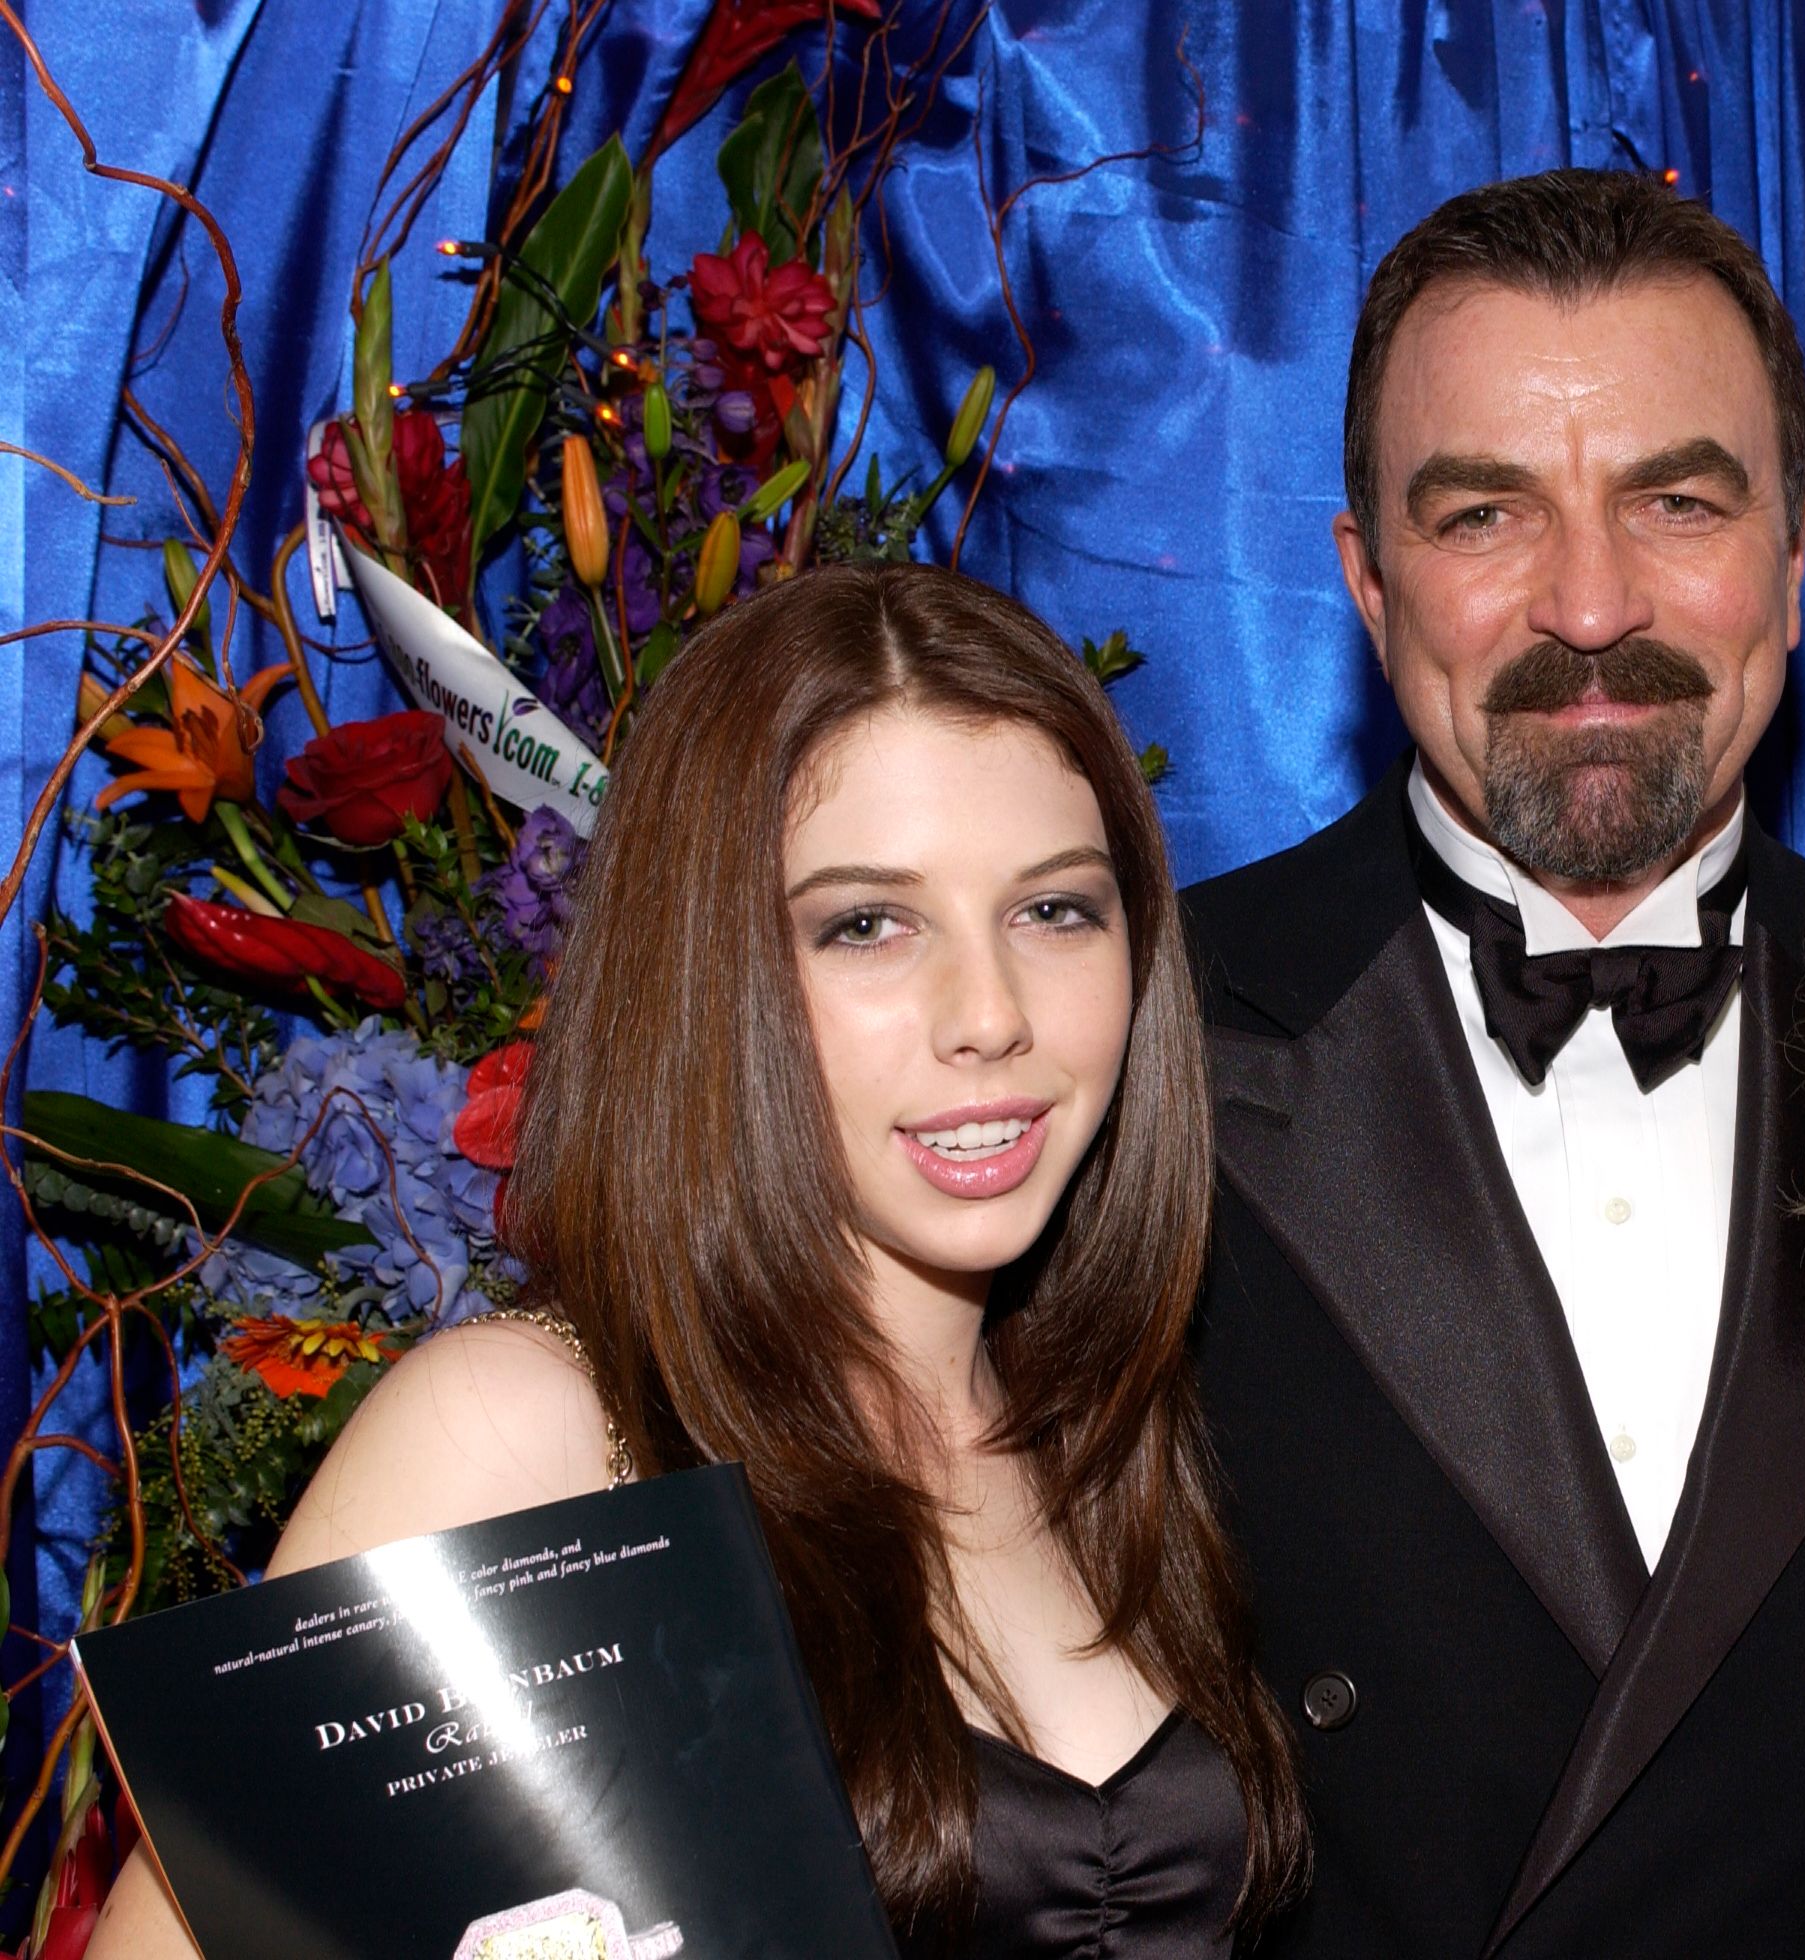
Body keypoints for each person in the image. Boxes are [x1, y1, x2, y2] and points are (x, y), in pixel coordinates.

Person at [89, 564, 1305, 1959]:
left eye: (1054, 911)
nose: (990, 1016)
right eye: (866, 924)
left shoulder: (1123, 1427)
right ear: (707, 970)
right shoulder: (529, 1430)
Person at [1182, 168, 1805, 1959]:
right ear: (1366, 581)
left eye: (1677, 500)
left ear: (1795, 553)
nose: (1593, 603)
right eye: (1486, 517)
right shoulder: (1128, 1041)